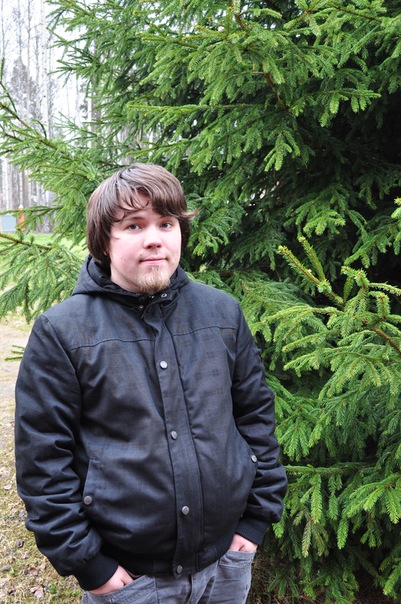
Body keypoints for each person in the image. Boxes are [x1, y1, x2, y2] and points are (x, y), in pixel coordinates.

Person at [15, 163, 287, 604]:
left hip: (226, 564)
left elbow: (256, 416)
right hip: (130, 581)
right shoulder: (63, 332)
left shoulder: (222, 314)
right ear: (104, 240)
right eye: (133, 226)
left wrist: (255, 521)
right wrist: (91, 565)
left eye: (166, 223)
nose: (155, 238)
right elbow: (43, 461)